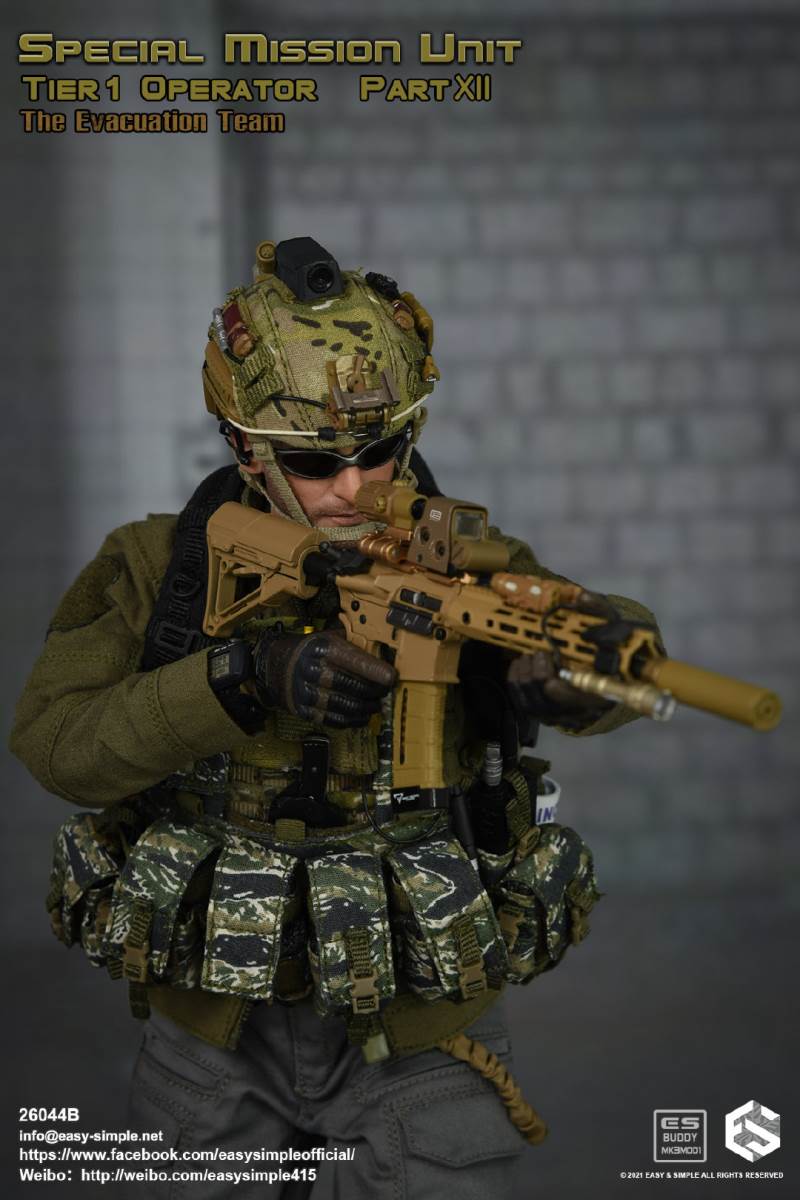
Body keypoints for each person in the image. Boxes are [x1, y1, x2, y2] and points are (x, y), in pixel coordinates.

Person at [10, 238, 659, 1200]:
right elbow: (56, 744)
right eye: (315, 461)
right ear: (245, 448)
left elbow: (588, 625)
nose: (355, 488)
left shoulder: (465, 559)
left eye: (381, 451)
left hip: (421, 1009)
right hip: (216, 1014)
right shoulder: (161, 568)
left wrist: (576, 680)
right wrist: (242, 678)